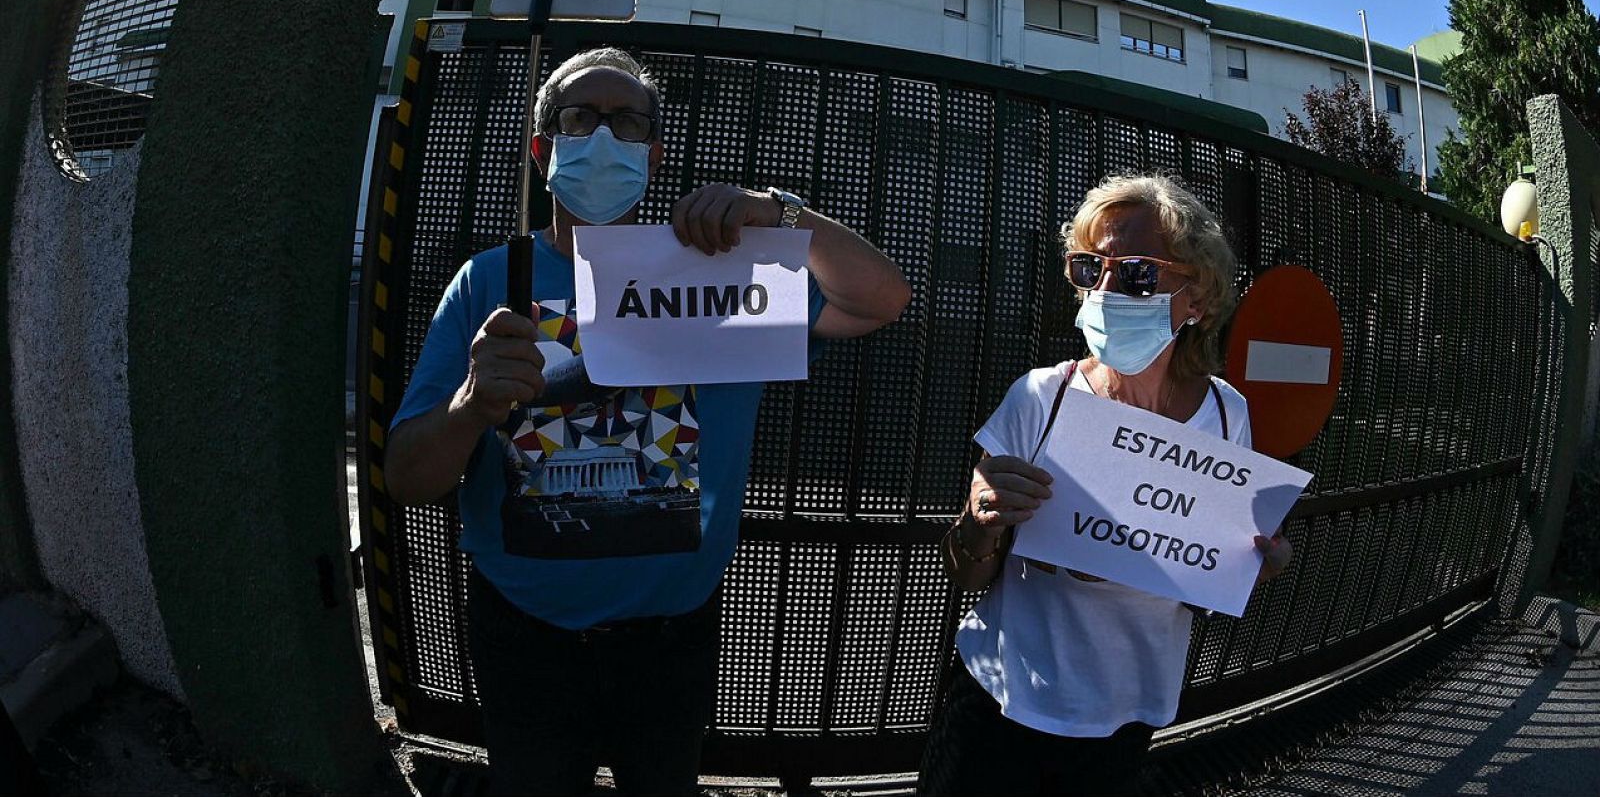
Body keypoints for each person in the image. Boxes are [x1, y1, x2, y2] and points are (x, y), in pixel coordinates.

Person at [385, 47, 910, 796]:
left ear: (654, 156)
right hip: (524, 636)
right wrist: (471, 406)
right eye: (579, 118)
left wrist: (778, 213)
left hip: (671, 644)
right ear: (543, 151)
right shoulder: (491, 279)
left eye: (627, 122)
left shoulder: (723, 271)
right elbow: (407, 476)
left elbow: (884, 299)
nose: (602, 137)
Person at [917, 174, 1292, 797]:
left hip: (1126, 713)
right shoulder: (1042, 395)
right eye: (1092, 269)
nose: (1110, 289)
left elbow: (1216, 569)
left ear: (1196, 297)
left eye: (1139, 272)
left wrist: (1260, 563)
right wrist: (979, 522)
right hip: (999, 696)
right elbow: (968, 574)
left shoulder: (1226, 415)